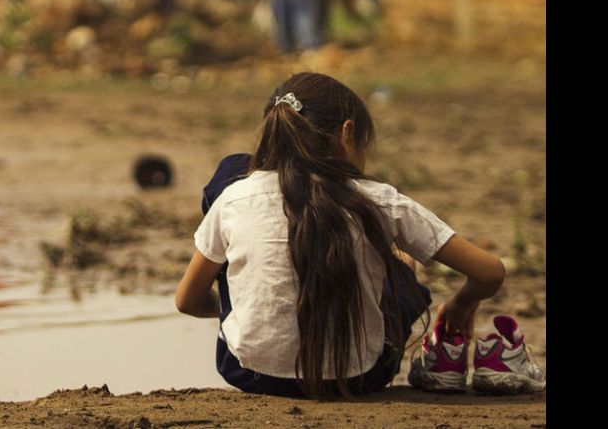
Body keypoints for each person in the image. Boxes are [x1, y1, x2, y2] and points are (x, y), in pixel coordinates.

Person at [175, 73, 508, 398]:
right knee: (402, 262)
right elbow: (490, 272)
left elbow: (187, 301)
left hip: (250, 372)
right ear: (348, 132)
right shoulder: (378, 199)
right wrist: (461, 303)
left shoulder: (235, 196)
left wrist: (249, 301)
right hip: (363, 375)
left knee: (234, 172)